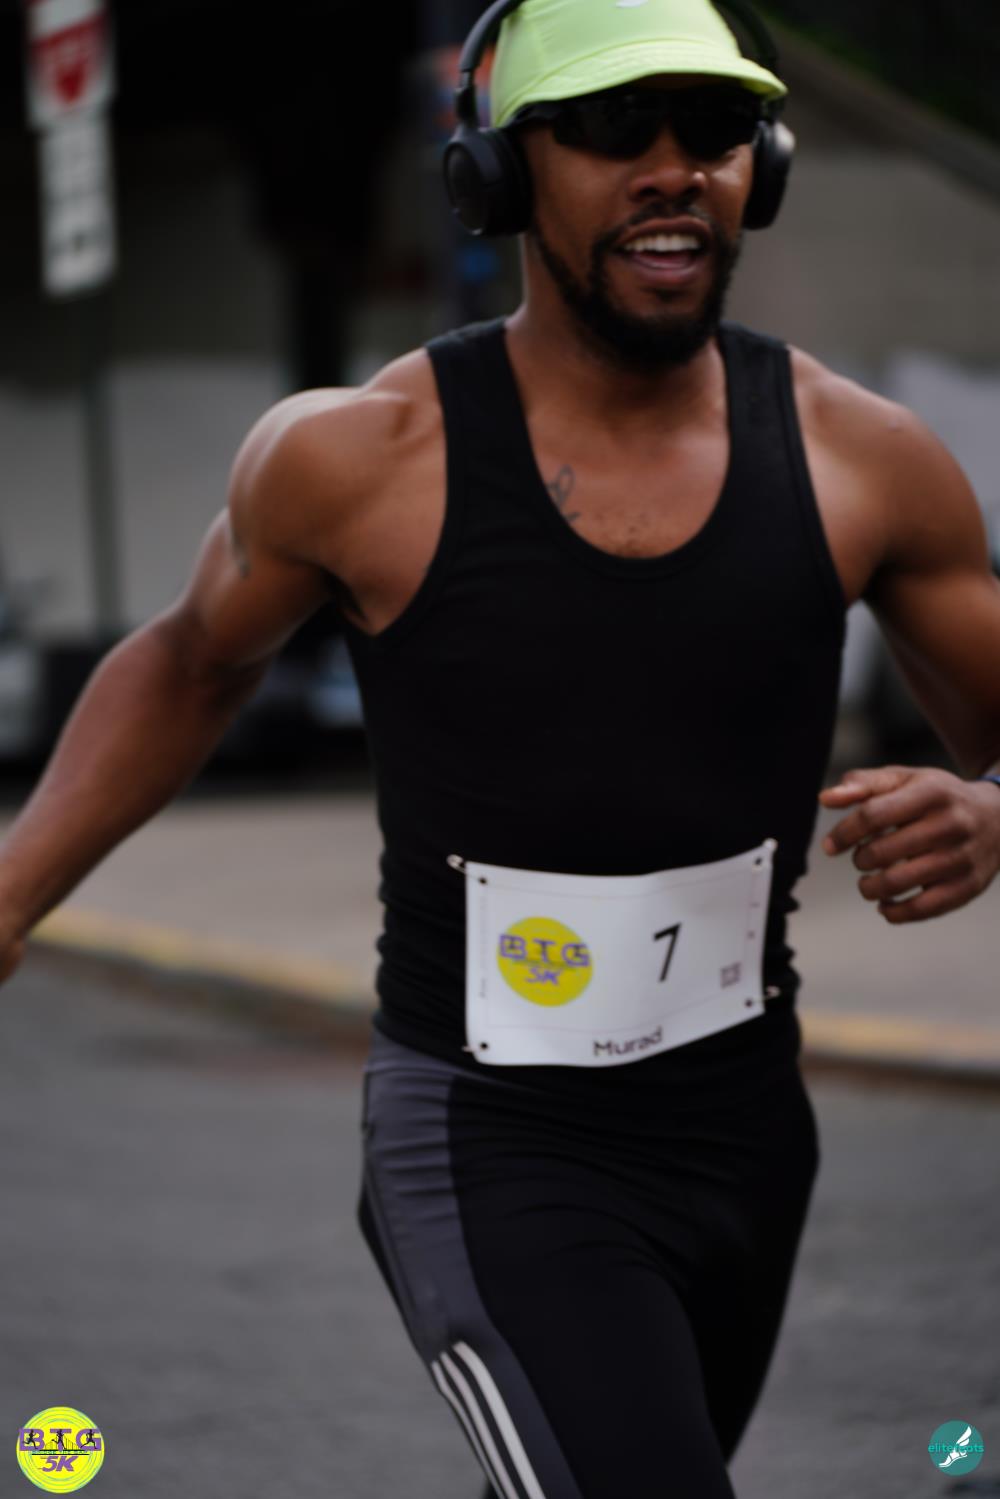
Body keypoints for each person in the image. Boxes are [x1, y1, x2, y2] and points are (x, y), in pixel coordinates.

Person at [3, 0, 1000, 1494]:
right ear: (499, 173)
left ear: (767, 165)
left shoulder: (867, 460)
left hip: (745, 1136)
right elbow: (191, 661)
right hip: (486, 1140)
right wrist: (12, 890)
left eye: (717, 127)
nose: (673, 166)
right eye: (610, 128)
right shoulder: (359, 461)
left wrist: (993, 811)